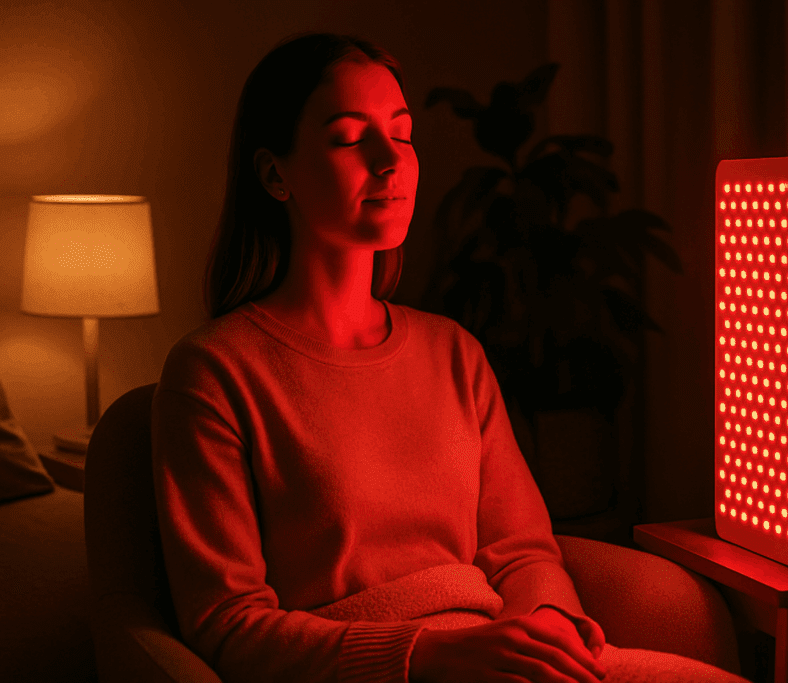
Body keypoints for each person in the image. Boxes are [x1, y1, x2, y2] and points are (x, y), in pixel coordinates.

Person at [151, 32, 746, 683]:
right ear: (274, 174)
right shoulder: (214, 373)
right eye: (351, 138)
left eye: (402, 134)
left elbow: (522, 552)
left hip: (502, 655)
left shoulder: (453, 352)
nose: (391, 161)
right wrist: (427, 655)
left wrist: (545, 632)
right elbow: (227, 623)